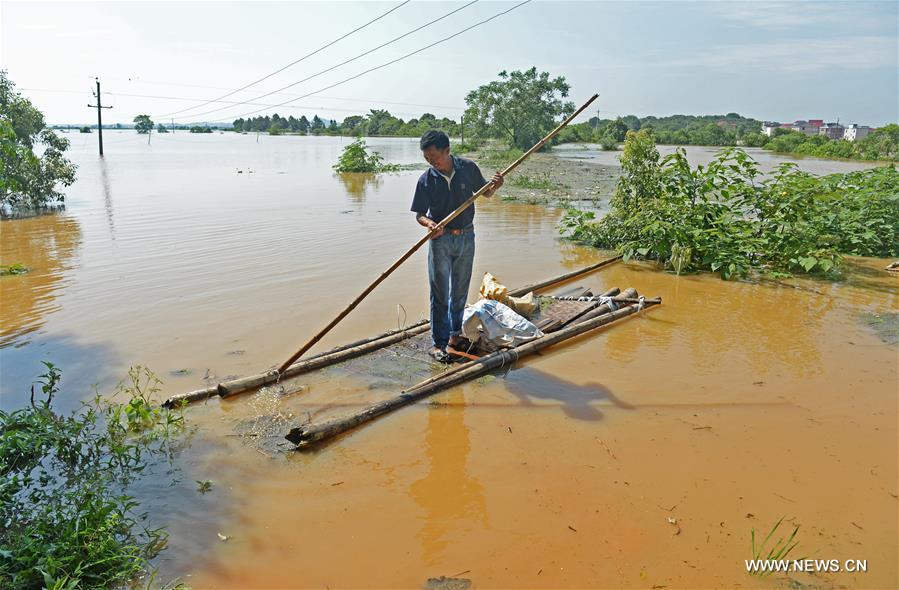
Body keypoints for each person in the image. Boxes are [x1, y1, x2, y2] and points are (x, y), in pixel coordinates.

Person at [411, 130, 503, 362]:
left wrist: (496, 185)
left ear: (447, 151)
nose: (432, 163)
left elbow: (487, 193)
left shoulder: (468, 169)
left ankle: (454, 334)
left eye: (435, 157)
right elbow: (420, 214)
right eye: (427, 159)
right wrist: (430, 224)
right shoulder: (426, 179)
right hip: (440, 240)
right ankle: (438, 343)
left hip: (466, 237)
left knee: (460, 289)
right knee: (440, 292)